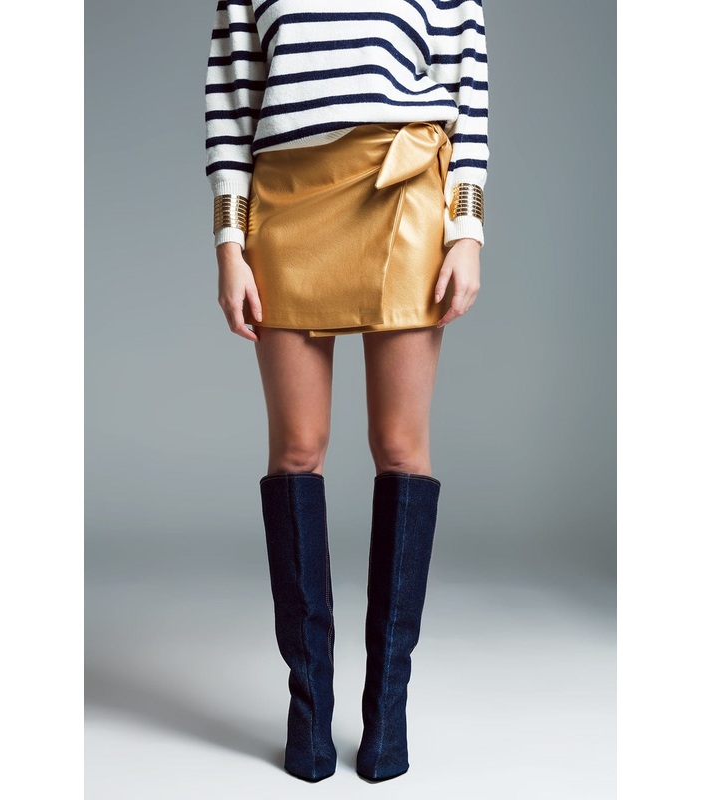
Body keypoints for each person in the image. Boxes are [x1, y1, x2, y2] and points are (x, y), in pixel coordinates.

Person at [204, 0, 489, 783]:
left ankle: (388, 708)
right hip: (285, 201)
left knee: (400, 445)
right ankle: (309, 708)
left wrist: (466, 229)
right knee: (297, 450)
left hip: (401, 186)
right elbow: (230, 102)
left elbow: (468, 89)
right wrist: (229, 242)